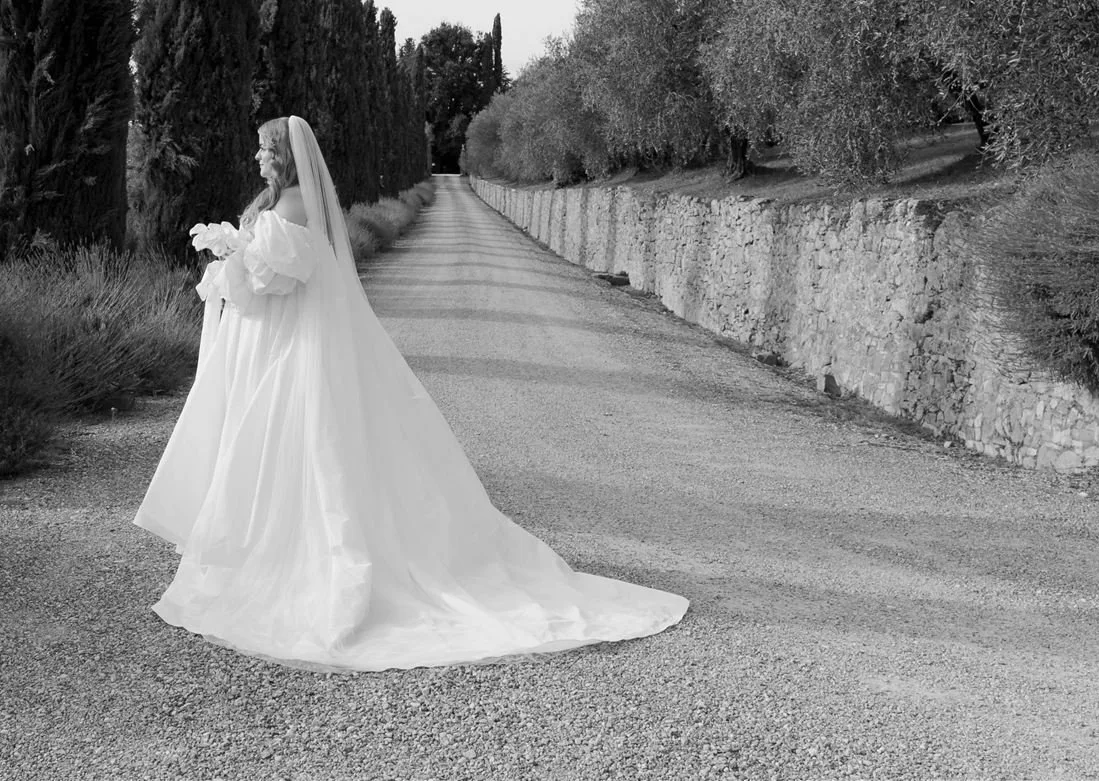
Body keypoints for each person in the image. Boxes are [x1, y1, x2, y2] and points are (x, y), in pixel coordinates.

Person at [134, 114, 687, 672]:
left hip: (289, 349)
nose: (256, 157)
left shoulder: (295, 203)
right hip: (281, 344)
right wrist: (236, 257)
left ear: (282, 154)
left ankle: (281, 557)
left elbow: (277, 279)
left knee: (296, 448)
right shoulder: (286, 203)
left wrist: (233, 266)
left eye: (262, 149)